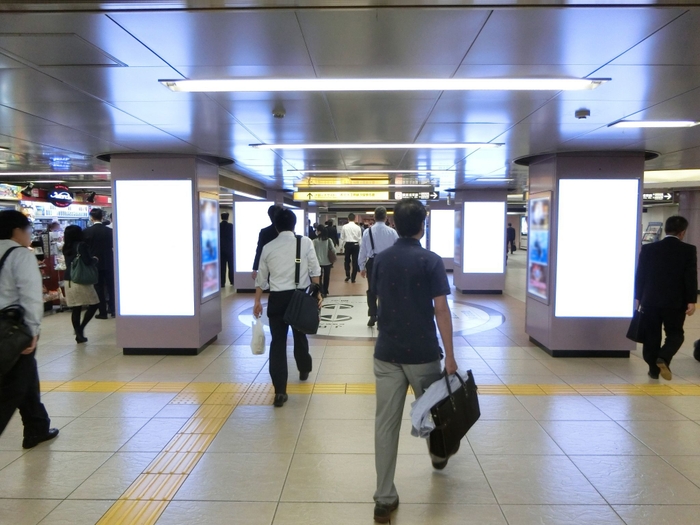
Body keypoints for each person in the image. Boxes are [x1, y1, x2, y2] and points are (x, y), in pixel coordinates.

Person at [370, 199, 457, 524]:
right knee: (435, 412)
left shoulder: (382, 260)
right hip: (423, 354)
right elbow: (441, 310)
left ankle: (384, 498)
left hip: (387, 353)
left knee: (385, 424)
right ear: (423, 225)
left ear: (394, 223)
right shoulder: (430, 261)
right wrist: (449, 355)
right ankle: (437, 454)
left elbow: (380, 297)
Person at [0, 210, 58, 448]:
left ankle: (37, 426)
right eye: (28, 231)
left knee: (25, 374)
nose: (30, 236)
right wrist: (33, 331)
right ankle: (36, 428)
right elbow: (31, 295)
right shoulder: (19, 255)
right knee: (13, 384)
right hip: (12, 329)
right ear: (17, 230)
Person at [253, 209, 322, 407]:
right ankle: (303, 367)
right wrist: (317, 293)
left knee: (278, 343)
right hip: (298, 297)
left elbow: (261, 279)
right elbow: (314, 270)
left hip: (276, 299)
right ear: (294, 225)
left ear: (276, 226)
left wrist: (257, 301)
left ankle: (280, 392)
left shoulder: (268, 247)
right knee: (300, 335)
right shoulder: (305, 242)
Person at [635, 215, 697, 380]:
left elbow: (640, 274)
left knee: (651, 336)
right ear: (682, 233)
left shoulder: (649, 249)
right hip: (675, 303)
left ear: (666, 229)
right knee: (675, 334)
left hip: (650, 301)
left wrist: (638, 296)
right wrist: (692, 300)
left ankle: (653, 370)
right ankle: (664, 356)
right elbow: (690, 277)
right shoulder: (688, 250)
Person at [359, 207, 398, 327]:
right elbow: (397, 250)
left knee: (371, 290)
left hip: (372, 262)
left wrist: (361, 267)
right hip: (388, 263)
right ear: (386, 217)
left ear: (374, 217)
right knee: (386, 289)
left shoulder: (367, 232)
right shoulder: (392, 232)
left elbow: (363, 251)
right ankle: (384, 316)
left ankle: (372, 315)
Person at [62, 225, 100, 343]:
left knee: (76, 308)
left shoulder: (65, 247)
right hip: (80, 280)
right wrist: (95, 259)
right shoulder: (81, 245)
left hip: (68, 280)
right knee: (94, 304)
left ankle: (79, 334)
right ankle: (81, 329)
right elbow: (87, 261)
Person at [83, 208, 114, 319]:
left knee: (99, 288)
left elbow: (84, 249)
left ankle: (103, 312)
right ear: (102, 217)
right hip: (109, 261)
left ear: (91, 218)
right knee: (111, 286)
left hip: (95, 264)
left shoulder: (86, 232)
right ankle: (114, 310)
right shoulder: (110, 231)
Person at [252, 205, 282, 280]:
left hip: (269, 264)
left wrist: (255, 268)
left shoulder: (264, 232)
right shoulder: (287, 232)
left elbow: (259, 250)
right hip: (284, 264)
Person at [313, 225, 336, 297]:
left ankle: (320, 290)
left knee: (319, 277)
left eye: (316, 230)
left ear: (319, 231)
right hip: (327, 262)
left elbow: (312, 251)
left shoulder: (314, 241)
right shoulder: (329, 240)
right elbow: (334, 250)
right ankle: (325, 291)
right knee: (326, 277)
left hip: (318, 262)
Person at [340, 213, 362, 283]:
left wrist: (341, 247)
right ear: (355, 218)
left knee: (347, 260)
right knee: (355, 262)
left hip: (348, 245)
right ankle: (353, 278)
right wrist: (361, 247)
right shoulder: (358, 227)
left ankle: (347, 275)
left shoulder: (344, 227)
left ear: (348, 218)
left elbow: (342, 238)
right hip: (356, 245)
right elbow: (360, 238)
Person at [220, 212, 234, 287]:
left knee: (222, 267)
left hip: (221, 249)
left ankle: (222, 282)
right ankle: (232, 281)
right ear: (228, 217)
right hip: (230, 249)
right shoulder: (231, 226)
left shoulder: (218, 226)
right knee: (231, 266)